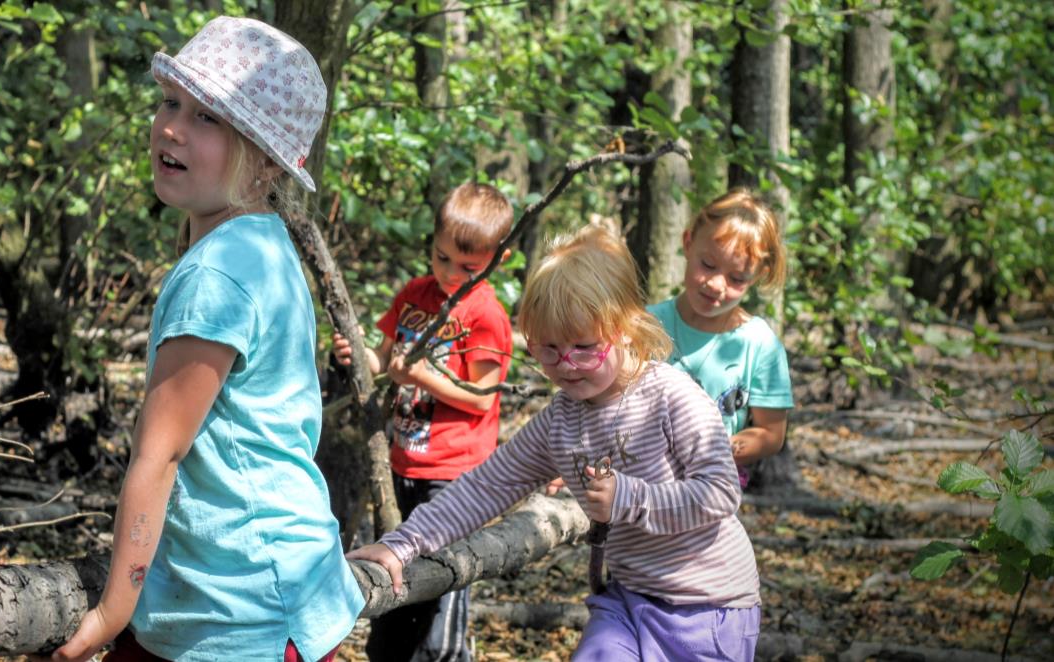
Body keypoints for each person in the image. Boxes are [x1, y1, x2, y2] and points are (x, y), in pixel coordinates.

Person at [47, 17, 362, 662]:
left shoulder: (218, 275)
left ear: (268, 160)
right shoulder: (263, 244)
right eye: (170, 103)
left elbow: (158, 456)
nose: (171, 127)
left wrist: (113, 610)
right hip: (279, 587)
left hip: (238, 614)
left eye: (209, 118)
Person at [347, 225, 761, 661]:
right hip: (627, 599)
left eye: (584, 347)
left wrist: (630, 497)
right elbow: (485, 487)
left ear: (624, 328)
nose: (566, 366)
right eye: (548, 350)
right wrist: (403, 544)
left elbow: (720, 492)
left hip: (710, 606)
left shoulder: (671, 396)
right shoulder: (560, 420)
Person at [332, 182, 514, 661]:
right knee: (394, 582)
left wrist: (425, 377)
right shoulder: (416, 294)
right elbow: (384, 360)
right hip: (403, 463)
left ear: (499, 258)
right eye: (441, 258)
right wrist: (358, 355)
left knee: (442, 588)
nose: (451, 274)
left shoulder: (486, 315)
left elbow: (482, 397)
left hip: (455, 474)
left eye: (468, 267)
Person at [647, 188, 793, 489]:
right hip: (637, 486)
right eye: (708, 265)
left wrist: (717, 452)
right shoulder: (645, 325)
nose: (716, 284)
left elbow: (770, 433)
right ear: (688, 243)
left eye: (736, 278)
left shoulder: (759, 344)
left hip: (708, 492)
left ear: (757, 276)